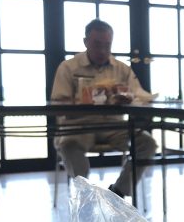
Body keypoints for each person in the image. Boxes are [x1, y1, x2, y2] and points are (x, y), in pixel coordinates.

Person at [50, 19, 157, 198]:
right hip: (79, 126)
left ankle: (118, 192)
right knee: (68, 145)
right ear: (86, 42)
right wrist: (84, 99)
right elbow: (58, 103)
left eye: (107, 45)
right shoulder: (68, 67)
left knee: (147, 143)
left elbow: (138, 94)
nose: (102, 51)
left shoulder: (122, 69)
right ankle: (86, 196)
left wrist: (128, 98)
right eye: (97, 45)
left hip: (114, 126)